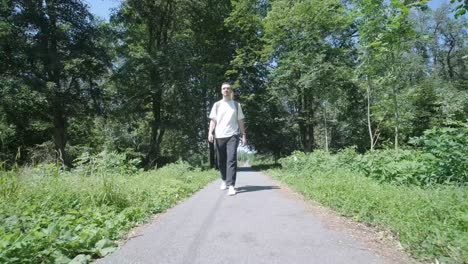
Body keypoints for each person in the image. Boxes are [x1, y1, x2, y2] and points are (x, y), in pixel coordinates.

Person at [208, 82, 247, 196]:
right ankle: (224, 180)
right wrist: (210, 132)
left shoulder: (236, 105)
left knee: (231, 159)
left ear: (230, 91)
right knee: (221, 160)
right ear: (221, 91)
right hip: (219, 135)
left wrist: (243, 134)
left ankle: (231, 185)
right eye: (224, 88)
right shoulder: (217, 105)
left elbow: (240, 121)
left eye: (228, 88)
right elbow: (213, 120)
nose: (226, 90)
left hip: (233, 135)